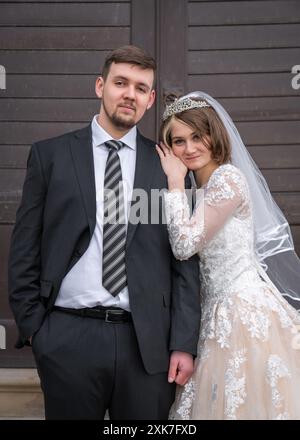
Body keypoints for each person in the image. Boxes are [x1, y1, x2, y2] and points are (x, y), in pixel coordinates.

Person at [8, 46, 201, 420]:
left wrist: (183, 344)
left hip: (147, 344)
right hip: (67, 337)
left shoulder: (169, 167)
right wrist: (37, 331)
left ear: (150, 100)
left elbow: (185, 260)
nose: (130, 93)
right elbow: (24, 248)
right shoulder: (51, 156)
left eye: (141, 87)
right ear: (100, 86)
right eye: (121, 83)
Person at [156, 91, 300, 420]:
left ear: (214, 133)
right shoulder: (203, 189)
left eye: (196, 136)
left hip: (240, 311)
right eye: (178, 142)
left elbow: (183, 245)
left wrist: (175, 184)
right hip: (214, 313)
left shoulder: (228, 179)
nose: (189, 148)